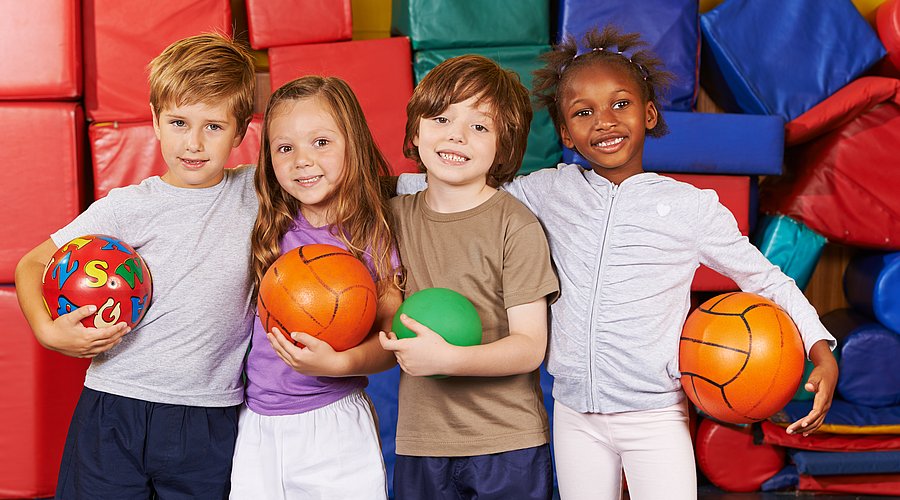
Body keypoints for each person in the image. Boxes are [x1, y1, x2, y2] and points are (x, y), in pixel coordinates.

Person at [397, 26, 839, 500]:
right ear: (566, 131)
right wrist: (356, 191)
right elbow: (460, 186)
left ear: (649, 113)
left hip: (655, 414)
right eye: (583, 112)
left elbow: (764, 277)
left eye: (620, 104)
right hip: (574, 416)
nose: (603, 121)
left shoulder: (691, 208)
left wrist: (819, 346)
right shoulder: (546, 191)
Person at [14, 33, 258, 498]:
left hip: (210, 415)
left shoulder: (256, 191)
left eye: (214, 126)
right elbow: (33, 263)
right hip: (114, 404)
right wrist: (48, 331)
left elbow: (338, 176)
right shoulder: (128, 206)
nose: (194, 143)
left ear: (241, 131)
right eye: (179, 122)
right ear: (155, 121)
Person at [379, 55, 560, 500]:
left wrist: (448, 361)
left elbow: (529, 346)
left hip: (507, 443)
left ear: (505, 145)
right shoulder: (391, 219)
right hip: (422, 443)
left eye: (480, 126)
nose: (456, 134)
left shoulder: (514, 225)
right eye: (441, 118)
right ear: (416, 131)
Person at [229, 76, 402, 500]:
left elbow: (389, 340)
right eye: (285, 148)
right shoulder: (268, 225)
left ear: (354, 144)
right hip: (256, 423)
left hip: (333, 424)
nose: (302, 161)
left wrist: (337, 365)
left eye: (321, 142)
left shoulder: (370, 234)